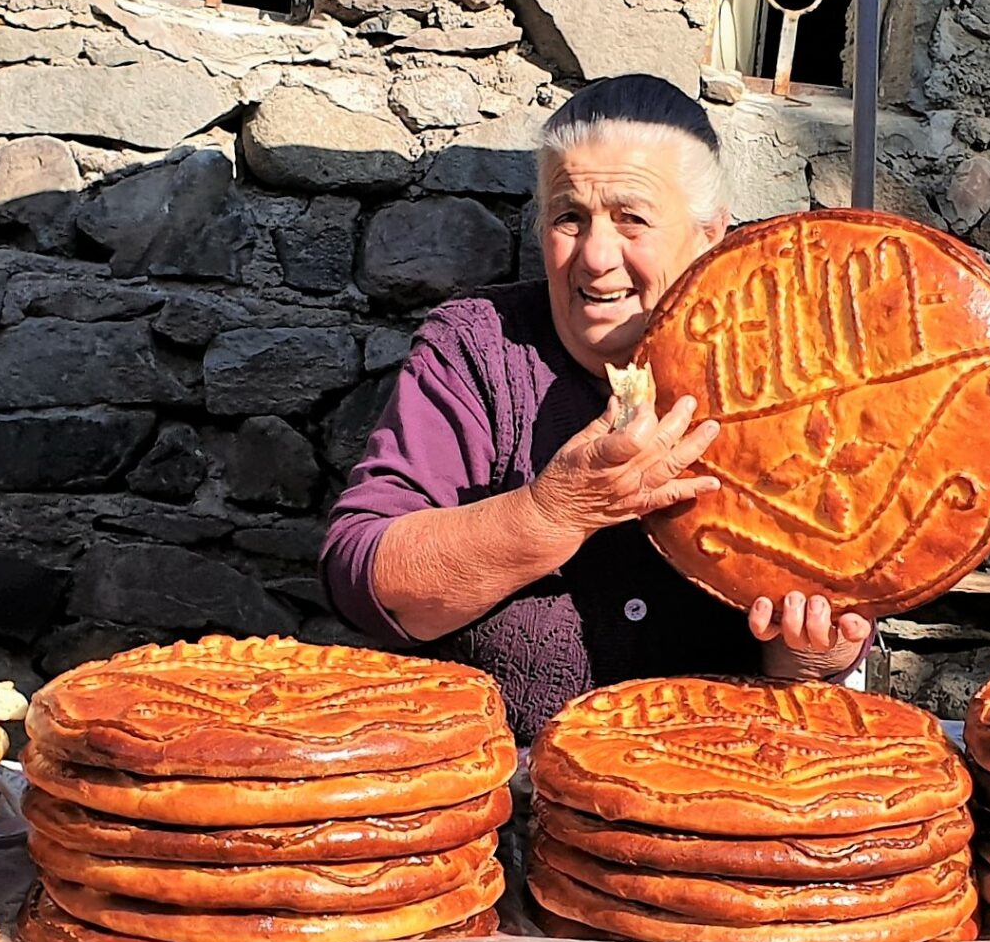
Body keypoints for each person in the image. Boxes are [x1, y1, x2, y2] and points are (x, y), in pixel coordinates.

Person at [321, 75, 873, 741]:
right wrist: (551, 513)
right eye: (569, 217)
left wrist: (809, 651)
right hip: (496, 797)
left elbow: (804, 661)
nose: (595, 256)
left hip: (716, 793)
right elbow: (364, 575)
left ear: (710, 233)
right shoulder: (479, 347)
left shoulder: (792, 376)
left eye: (632, 218)